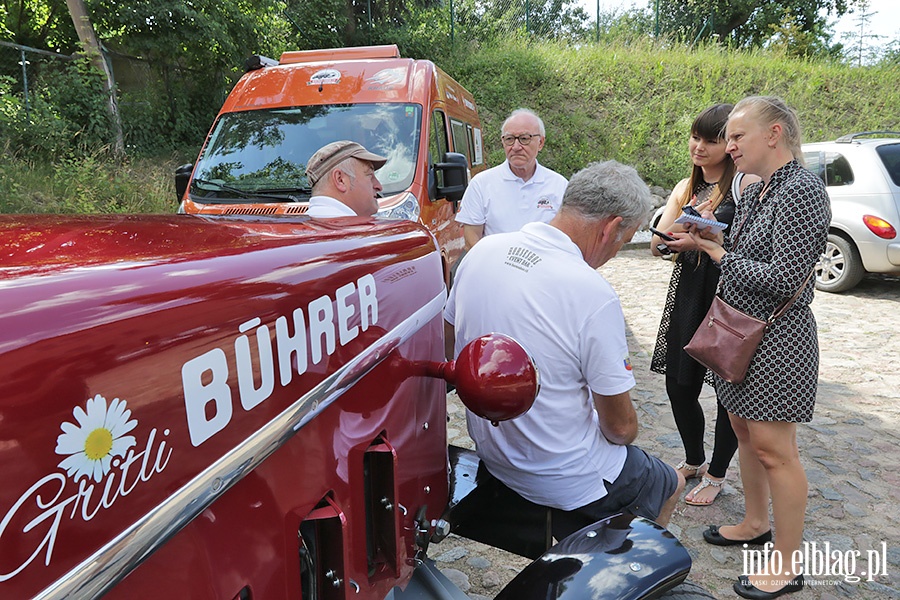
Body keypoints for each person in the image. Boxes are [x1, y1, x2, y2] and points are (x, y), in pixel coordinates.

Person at [445, 160, 685, 540]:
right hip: (561, 474)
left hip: (496, 454)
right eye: (626, 239)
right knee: (669, 482)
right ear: (610, 227)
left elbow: (449, 347)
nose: (618, 251)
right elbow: (620, 428)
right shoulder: (592, 292)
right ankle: (622, 575)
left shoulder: (483, 251)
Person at [687, 97, 830, 599]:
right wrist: (710, 234)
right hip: (742, 331)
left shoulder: (801, 191)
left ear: (773, 134)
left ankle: (789, 565)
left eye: (737, 137)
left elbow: (787, 277)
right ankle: (753, 523)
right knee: (744, 433)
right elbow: (751, 251)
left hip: (776, 338)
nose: (728, 147)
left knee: (776, 451)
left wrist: (718, 252)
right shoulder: (758, 187)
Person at [649, 104, 758, 506]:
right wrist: (667, 239)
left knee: (729, 390)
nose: (699, 146)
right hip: (690, 292)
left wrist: (710, 238)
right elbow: (661, 244)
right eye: (696, 136)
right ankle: (694, 459)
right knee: (679, 384)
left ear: (729, 145)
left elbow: (750, 250)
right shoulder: (687, 186)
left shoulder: (746, 186)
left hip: (729, 293)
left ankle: (716, 472)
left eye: (711, 140)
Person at [455, 108, 568, 250]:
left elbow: (569, 237)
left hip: (544, 269)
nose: (516, 147)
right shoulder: (481, 184)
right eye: (509, 139)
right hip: (496, 268)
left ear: (541, 143)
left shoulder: (559, 186)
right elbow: (471, 238)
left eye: (524, 139)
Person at [304, 140, 386, 217]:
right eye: (370, 175)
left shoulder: (300, 226)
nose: (379, 186)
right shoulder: (351, 229)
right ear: (340, 180)